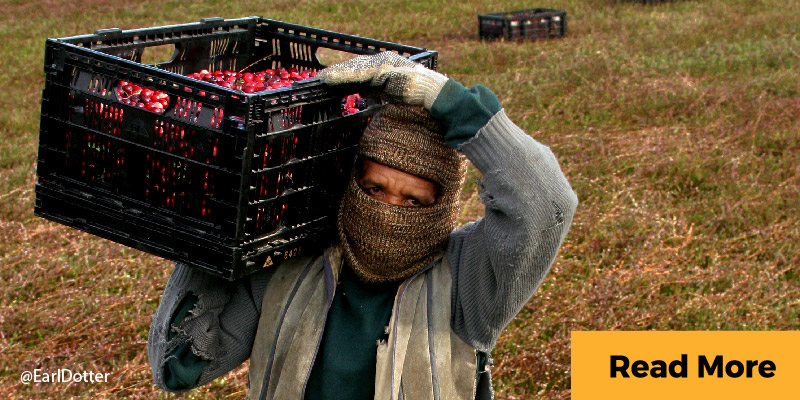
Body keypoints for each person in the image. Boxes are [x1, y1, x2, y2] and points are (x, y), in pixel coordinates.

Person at [147, 51, 578, 400]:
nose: (389, 210)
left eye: (413, 201)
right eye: (375, 189)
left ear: (442, 204)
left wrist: (447, 99)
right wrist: (210, 228)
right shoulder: (293, 265)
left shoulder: (467, 282)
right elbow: (179, 368)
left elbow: (547, 204)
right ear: (351, 184)